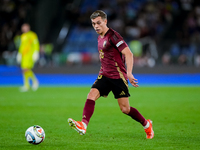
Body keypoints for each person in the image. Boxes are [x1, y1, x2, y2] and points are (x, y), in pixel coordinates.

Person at [68, 10, 154, 139]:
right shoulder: (99, 37)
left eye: (98, 23)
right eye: (93, 24)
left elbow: (128, 53)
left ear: (105, 21)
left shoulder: (113, 36)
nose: (96, 26)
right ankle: (83, 125)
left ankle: (146, 124)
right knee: (91, 95)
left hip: (118, 77)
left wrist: (129, 73)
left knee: (125, 109)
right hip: (104, 75)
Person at [16, 23, 40, 92]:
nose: (24, 28)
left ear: (28, 28)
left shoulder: (32, 35)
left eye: (25, 27)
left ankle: (35, 81)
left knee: (26, 69)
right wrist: (19, 54)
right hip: (24, 55)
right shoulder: (23, 36)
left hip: (30, 55)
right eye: (23, 27)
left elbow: (36, 43)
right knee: (24, 70)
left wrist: (36, 52)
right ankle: (26, 85)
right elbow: (22, 46)